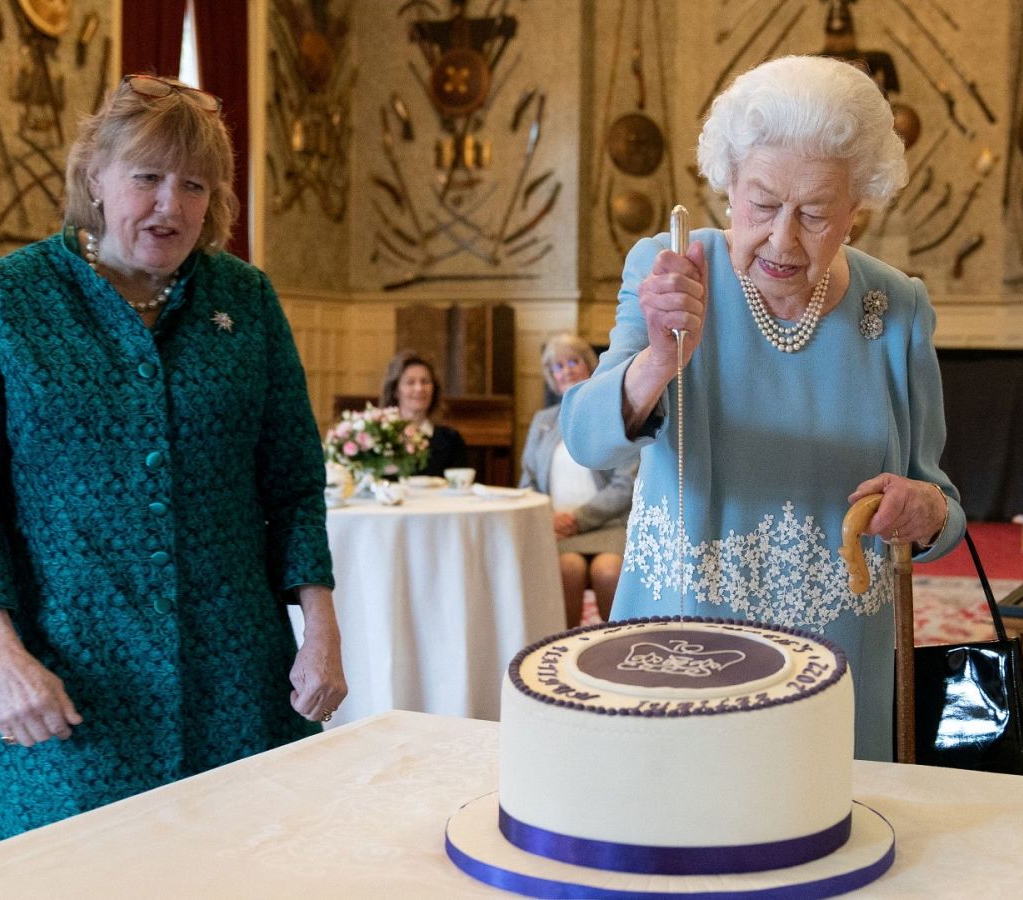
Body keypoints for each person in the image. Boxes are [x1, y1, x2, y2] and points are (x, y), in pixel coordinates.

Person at [0, 74, 347, 856]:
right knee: (75, 868)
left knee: (234, 861)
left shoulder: (245, 300)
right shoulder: (6, 302)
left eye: (194, 184)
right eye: (147, 177)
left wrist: (319, 627)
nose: (170, 206)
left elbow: (291, 482)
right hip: (67, 676)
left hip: (233, 673)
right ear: (95, 177)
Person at [560, 55, 965, 761]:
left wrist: (926, 509)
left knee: (831, 850)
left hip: (839, 665)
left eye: (814, 214)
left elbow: (943, 504)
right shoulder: (670, 268)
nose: (783, 239)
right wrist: (658, 359)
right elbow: (587, 441)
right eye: (762, 204)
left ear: (855, 209)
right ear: (726, 187)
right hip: (682, 651)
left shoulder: (896, 307)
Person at [520, 333, 639, 628]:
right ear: (551, 376)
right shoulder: (543, 421)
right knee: (566, 570)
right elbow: (527, 483)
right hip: (558, 531)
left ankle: (622, 651)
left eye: (573, 361)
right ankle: (563, 655)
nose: (567, 370)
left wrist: (577, 519)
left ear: (588, 365)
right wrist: (550, 520)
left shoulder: (612, 415)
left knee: (607, 572)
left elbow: (624, 486)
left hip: (608, 525)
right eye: (558, 366)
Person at [379, 350, 470, 477]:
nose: (419, 388)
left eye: (425, 381)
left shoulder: (451, 440)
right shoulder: (380, 438)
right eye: (410, 382)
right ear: (395, 390)